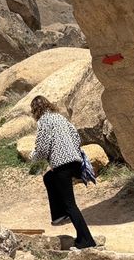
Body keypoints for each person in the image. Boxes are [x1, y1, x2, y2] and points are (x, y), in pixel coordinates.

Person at [29, 94, 96, 249]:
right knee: (49, 178)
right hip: (75, 162)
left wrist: (33, 156)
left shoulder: (44, 121)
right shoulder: (60, 118)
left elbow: (43, 147)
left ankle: (87, 241)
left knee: (70, 205)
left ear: (35, 110)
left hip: (62, 165)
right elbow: (76, 137)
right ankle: (60, 215)